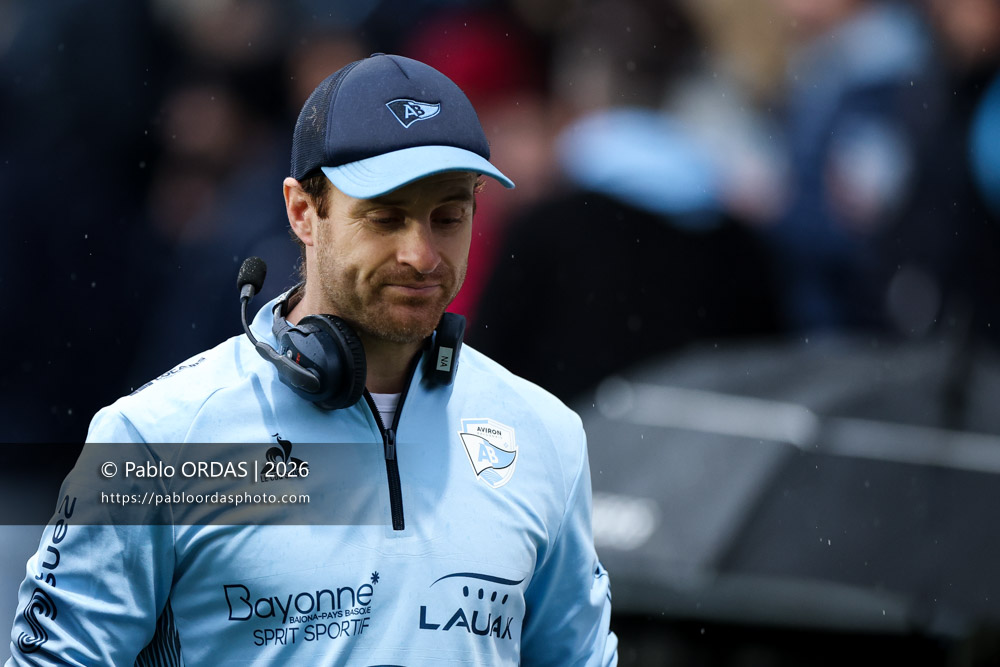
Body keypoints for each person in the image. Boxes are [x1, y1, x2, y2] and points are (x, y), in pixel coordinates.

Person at [7, 54, 617, 666]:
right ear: (302, 211)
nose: (422, 254)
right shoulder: (157, 437)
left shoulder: (547, 435)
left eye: (448, 217)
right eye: (385, 217)